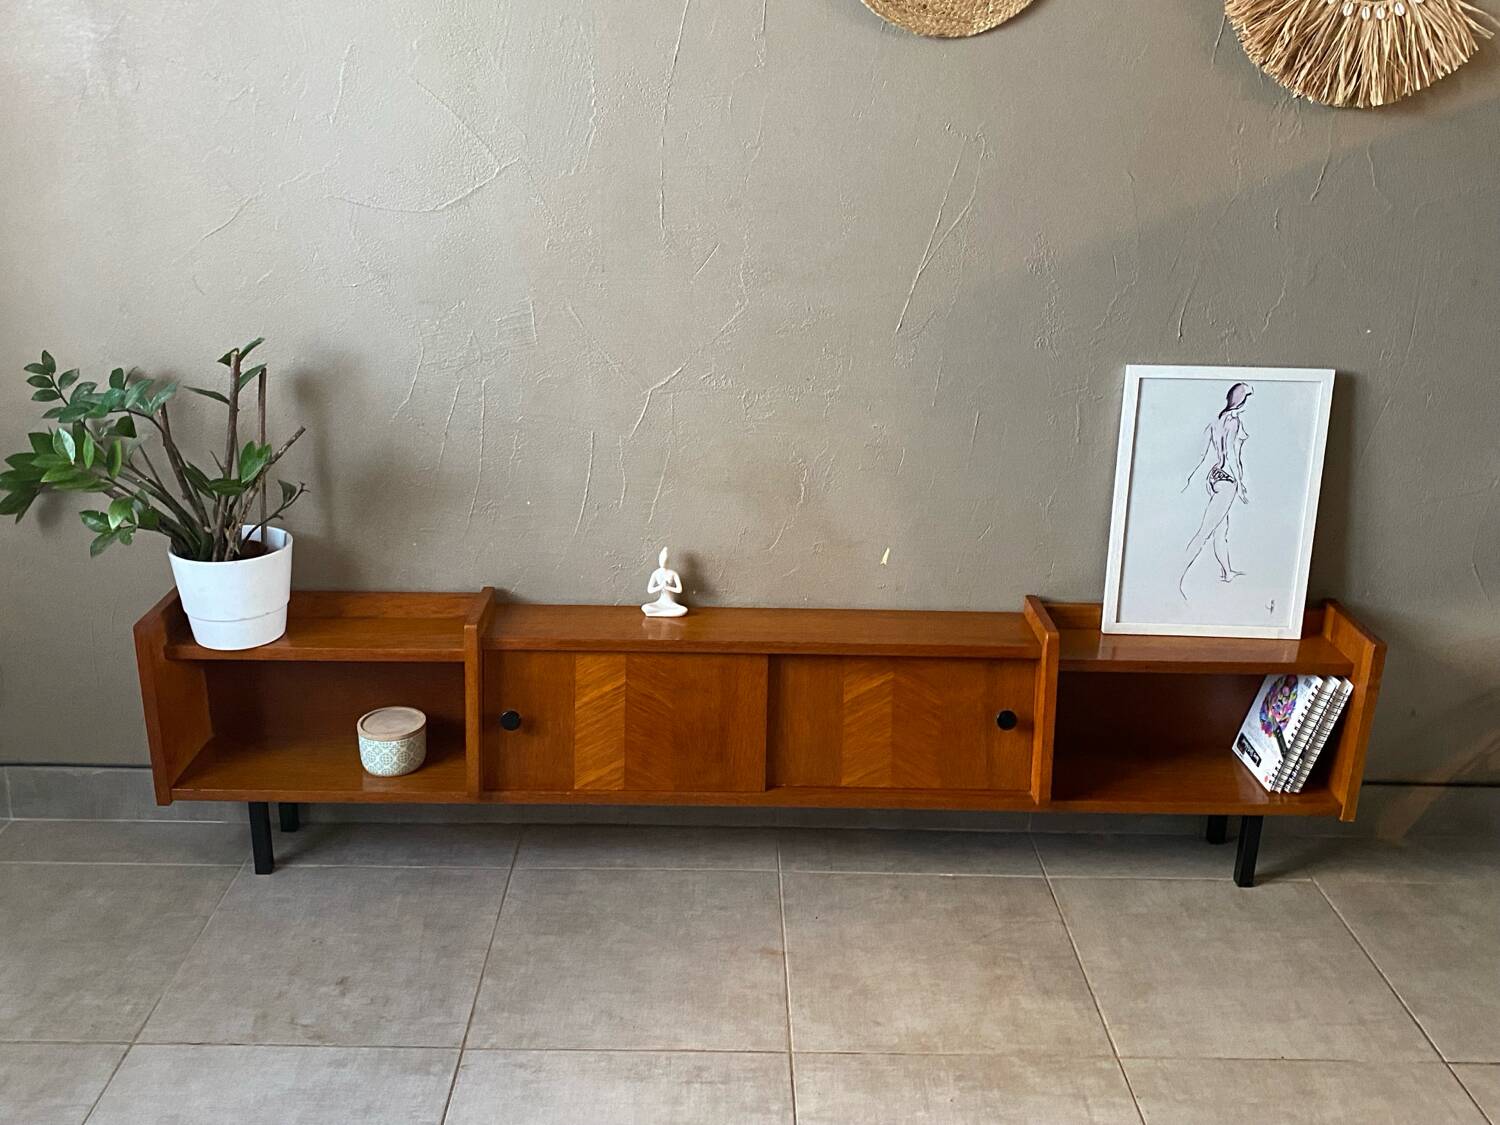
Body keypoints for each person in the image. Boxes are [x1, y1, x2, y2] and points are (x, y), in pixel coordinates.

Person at [1179, 382, 1253, 594]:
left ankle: (1227, 572)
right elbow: (1231, 454)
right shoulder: (1233, 421)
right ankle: (1177, 576)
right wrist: (1241, 484)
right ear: (1242, 401)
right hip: (1228, 479)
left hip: (1214, 477)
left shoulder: (1216, 420)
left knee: (1221, 531)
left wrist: (1198, 479)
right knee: (1205, 531)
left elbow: (1202, 454)